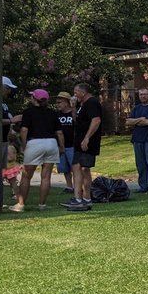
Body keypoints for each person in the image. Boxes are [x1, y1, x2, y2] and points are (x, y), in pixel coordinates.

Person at [10, 89, 64, 212]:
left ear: (34, 99)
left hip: (34, 143)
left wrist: (24, 145)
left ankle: (21, 205)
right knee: (46, 176)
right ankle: (42, 204)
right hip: (51, 143)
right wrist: (62, 147)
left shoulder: (29, 112)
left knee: (26, 175)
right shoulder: (53, 113)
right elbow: (59, 133)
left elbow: (24, 130)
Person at [61, 83, 103, 212]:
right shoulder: (82, 105)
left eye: (76, 92)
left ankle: (83, 198)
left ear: (83, 92)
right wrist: (73, 107)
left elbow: (96, 120)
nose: (74, 95)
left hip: (87, 142)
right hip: (79, 142)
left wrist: (87, 138)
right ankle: (79, 198)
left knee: (83, 168)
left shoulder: (92, 103)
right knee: (78, 167)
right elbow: (76, 120)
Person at [126, 87, 148, 193]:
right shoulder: (136, 108)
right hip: (137, 139)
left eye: (145, 94)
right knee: (140, 164)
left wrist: (136, 121)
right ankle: (143, 186)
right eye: (141, 94)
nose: (143, 96)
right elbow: (128, 122)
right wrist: (140, 119)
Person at [0, 76, 22, 200]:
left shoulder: (4, 104)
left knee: (5, 171)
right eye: (7, 88)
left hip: (4, 141)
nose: (8, 91)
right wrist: (11, 120)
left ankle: (2, 199)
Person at [54, 92, 76, 193]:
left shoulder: (73, 113)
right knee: (64, 168)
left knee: (75, 167)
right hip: (60, 146)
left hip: (72, 144)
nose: (57, 104)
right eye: (56, 102)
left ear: (66, 103)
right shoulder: (56, 115)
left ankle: (77, 186)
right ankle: (69, 186)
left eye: (59, 102)